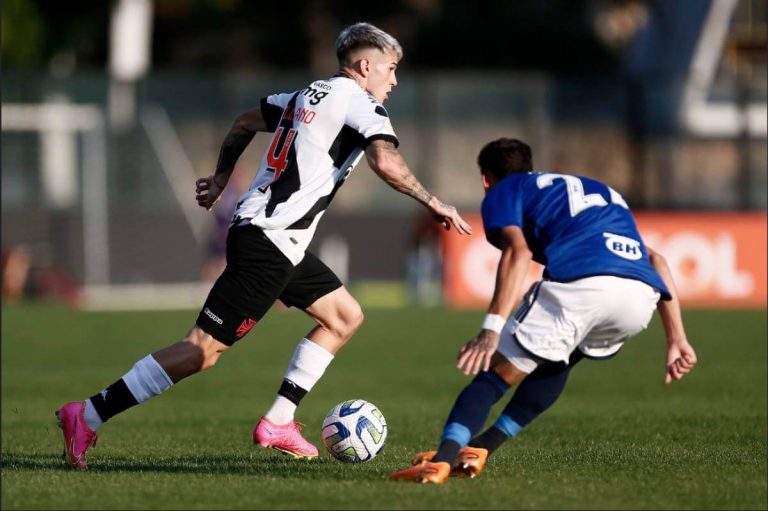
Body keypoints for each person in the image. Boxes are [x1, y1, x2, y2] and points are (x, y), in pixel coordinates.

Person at [55, 22, 472, 470]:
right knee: (201, 350)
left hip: (275, 238)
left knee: (344, 316)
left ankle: (279, 420)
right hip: (270, 241)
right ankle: (89, 414)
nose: (394, 80)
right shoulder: (361, 103)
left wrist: (220, 179)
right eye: (390, 68)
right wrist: (433, 201)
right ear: (365, 66)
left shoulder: (304, 95)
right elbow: (384, 160)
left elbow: (243, 122)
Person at [389, 138, 697, 484]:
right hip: (639, 299)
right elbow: (657, 260)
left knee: (492, 376)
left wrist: (491, 329)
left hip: (583, 286)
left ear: (486, 180)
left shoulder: (504, 191)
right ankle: (480, 447)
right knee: (557, 361)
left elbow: (518, 253)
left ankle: (440, 462)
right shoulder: (592, 189)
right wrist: (677, 339)